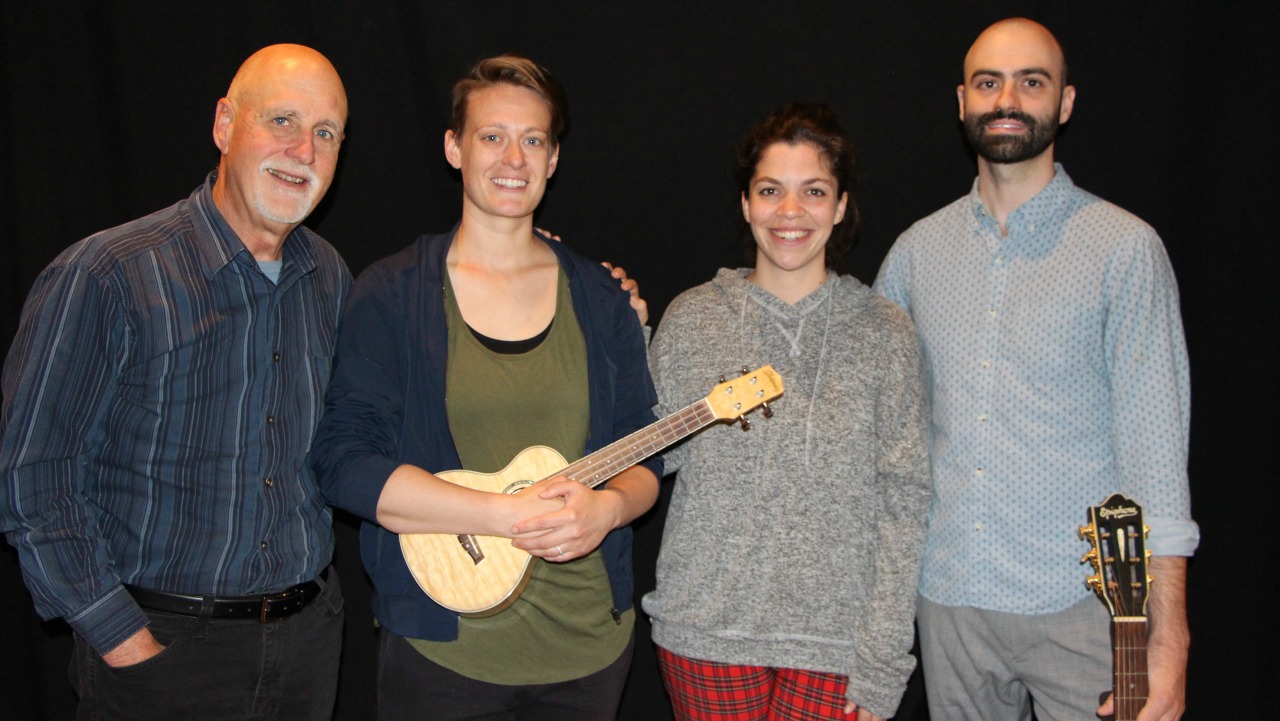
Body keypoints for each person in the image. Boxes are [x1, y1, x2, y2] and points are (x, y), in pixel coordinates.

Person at [0, 44, 351, 720]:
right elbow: (32, 478)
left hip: (307, 646)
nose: (303, 150)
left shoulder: (328, 276)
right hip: (164, 652)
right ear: (224, 124)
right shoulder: (107, 274)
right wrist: (122, 640)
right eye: (281, 120)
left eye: (326, 133)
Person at [310, 55, 661, 721]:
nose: (513, 158)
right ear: (454, 147)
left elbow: (643, 453)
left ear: (554, 158)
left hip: (587, 653)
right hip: (445, 655)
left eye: (533, 140)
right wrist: (502, 516)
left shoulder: (601, 298)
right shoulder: (391, 293)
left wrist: (609, 511)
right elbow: (345, 465)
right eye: (492, 136)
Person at [873, 18, 1197, 721]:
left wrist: (1168, 640)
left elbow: (1156, 455)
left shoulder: (1124, 250)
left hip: (1085, 606)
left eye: (1032, 81)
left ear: (1066, 102)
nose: (1007, 98)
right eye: (989, 82)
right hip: (950, 598)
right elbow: (868, 416)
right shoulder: (914, 255)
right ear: (962, 101)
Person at [643, 103, 931, 721]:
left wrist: (885, 659)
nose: (791, 212)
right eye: (771, 190)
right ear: (746, 204)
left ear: (841, 205)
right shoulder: (693, 318)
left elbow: (905, 504)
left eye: (814, 191)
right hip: (706, 637)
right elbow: (645, 458)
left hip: (839, 648)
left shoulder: (887, 333)